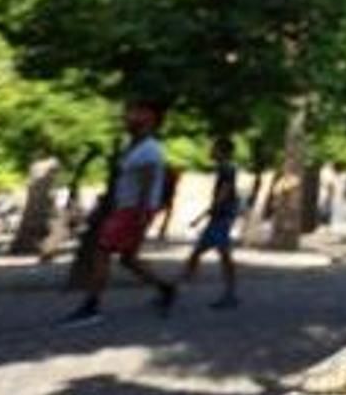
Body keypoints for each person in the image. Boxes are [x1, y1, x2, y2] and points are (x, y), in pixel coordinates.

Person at [61, 99, 178, 325]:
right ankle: (166, 289)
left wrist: (141, 214)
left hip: (133, 211)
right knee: (128, 259)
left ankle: (92, 306)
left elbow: (148, 183)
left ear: (149, 117)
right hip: (127, 208)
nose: (127, 116)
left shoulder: (150, 150)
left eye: (134, 111)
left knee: (102, 251)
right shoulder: (133, 146)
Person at [182, 137, 241, 308]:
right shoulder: (226, 168)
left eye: (214, 148)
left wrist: (205, 214)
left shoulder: (227, 169)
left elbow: (225, 192)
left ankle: (229, 294)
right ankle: (175, 288)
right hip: (220, 216)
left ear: (222, 151)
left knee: (220, 254)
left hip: (221, 216)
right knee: (203, 253)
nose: (211, 151)